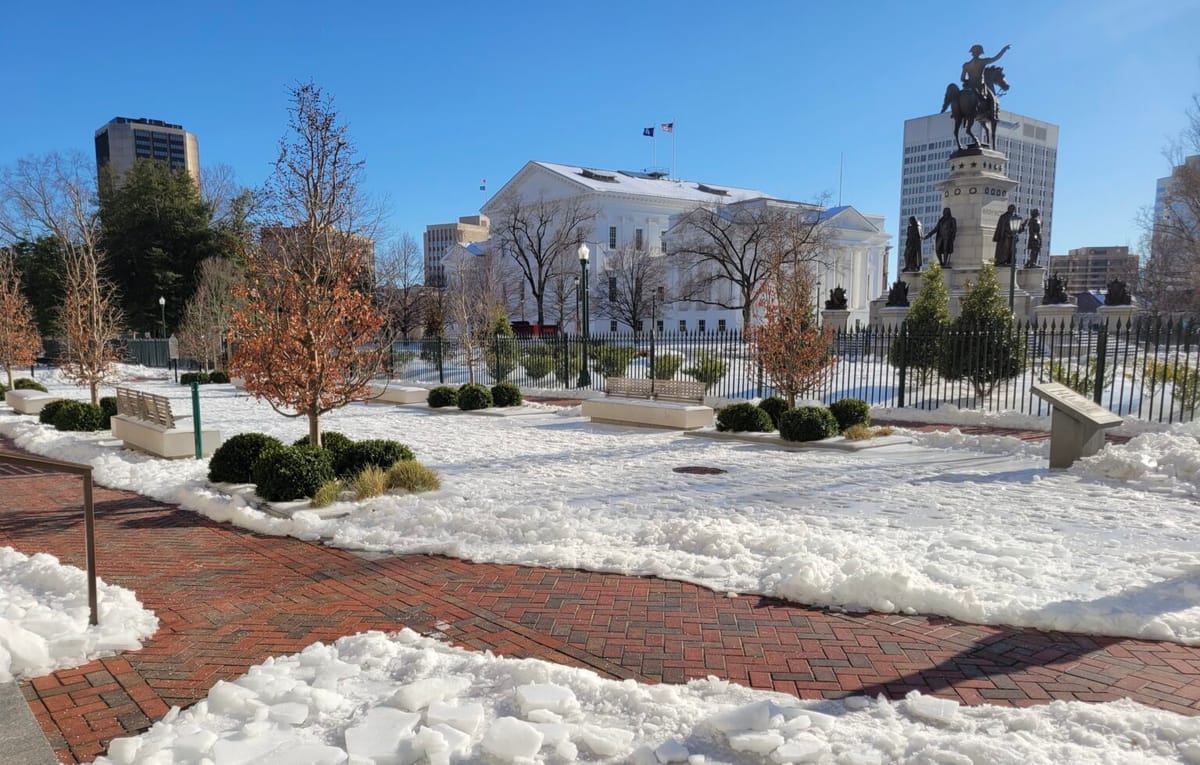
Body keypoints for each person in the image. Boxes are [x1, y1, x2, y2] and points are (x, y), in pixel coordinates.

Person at [962, 43, 1010, 119]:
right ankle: (993, 116)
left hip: (969, 87)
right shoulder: (982, 62)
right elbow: (996, 58)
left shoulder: (966, 65)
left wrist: (969, 81)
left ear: (972, 53)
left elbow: (962, 78)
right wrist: (1003, 50)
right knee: (993, 99)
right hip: (980, 86)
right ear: (980, 53)